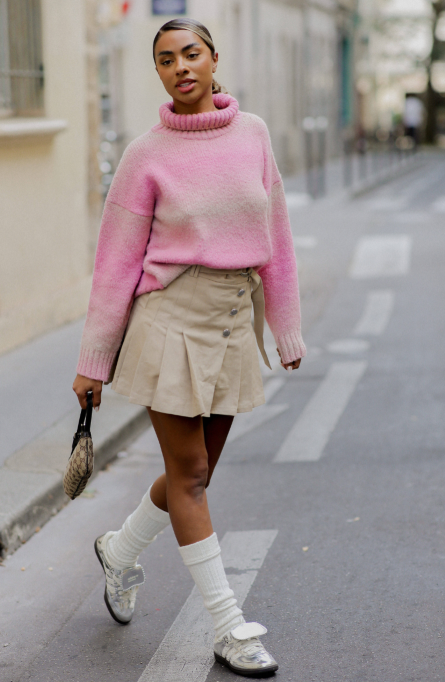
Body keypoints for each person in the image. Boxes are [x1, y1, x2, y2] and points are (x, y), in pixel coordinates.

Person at [71, 18, 306, 676]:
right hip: (168, 320)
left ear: (212, 58)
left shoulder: (253, 135)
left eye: (191, 54)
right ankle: (228, 627)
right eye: (166, 59)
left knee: (192, 473)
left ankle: (119, 552)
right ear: (158, 72)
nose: (180, 67)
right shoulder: (146, 155)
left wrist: (285, 329)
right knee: (193, 477)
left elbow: (277, 239)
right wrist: (93, 362)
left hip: (234, 321)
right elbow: (115, 265)